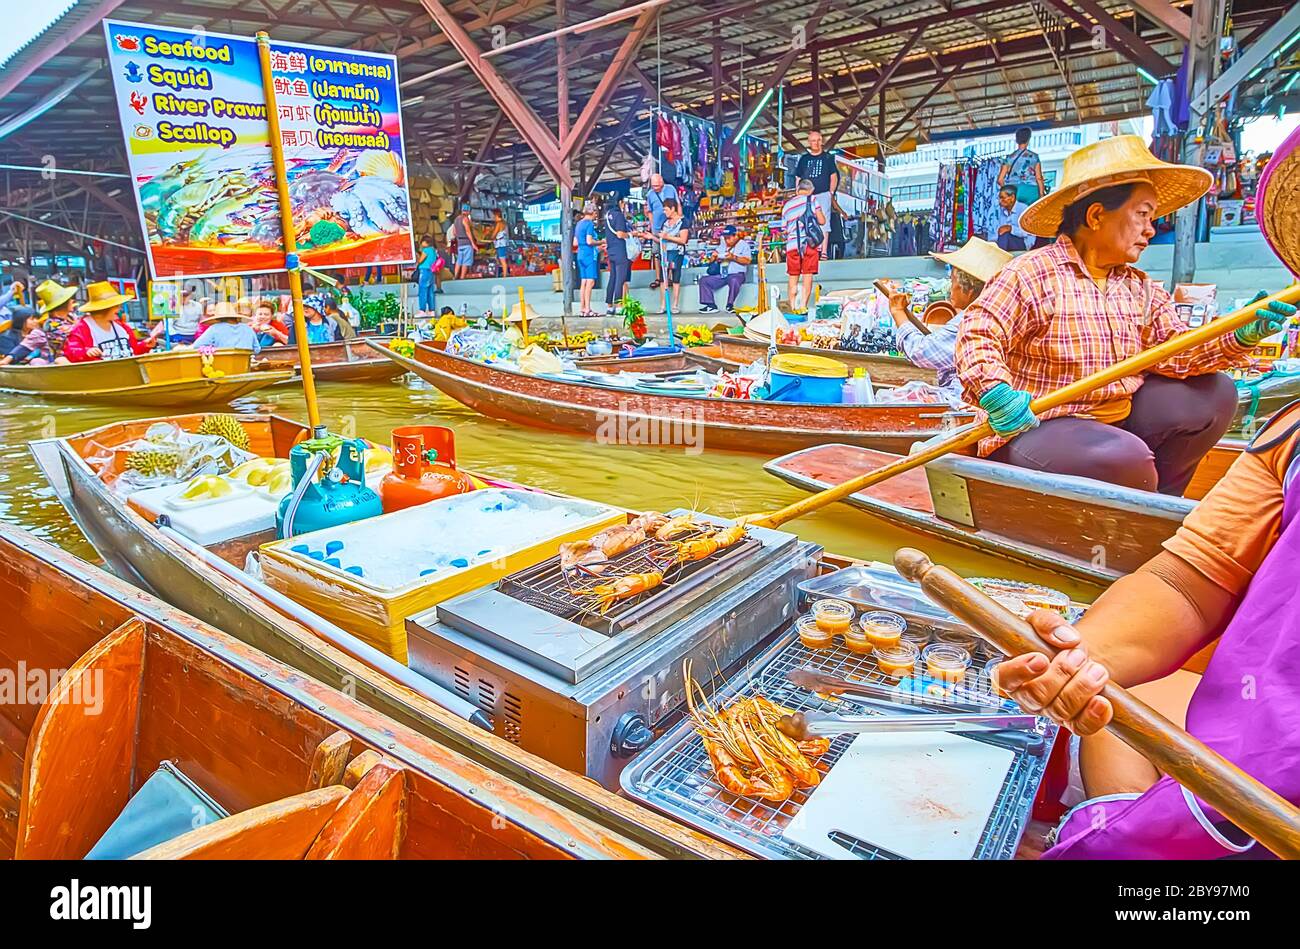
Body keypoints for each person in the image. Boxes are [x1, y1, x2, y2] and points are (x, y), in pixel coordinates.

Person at [992, 400, 1300, 858]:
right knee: (1114, 707)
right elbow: (1188, 582)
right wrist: (1081, 662)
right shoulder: (1291, 431)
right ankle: (1131, 827)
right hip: (1255, 746)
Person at [956, 135, 1296, 496]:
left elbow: (1178, 351)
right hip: (1037, 425)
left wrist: (1240, 333)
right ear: (1096, 215)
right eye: (1143, 215)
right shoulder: (1031, 272)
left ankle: (1156, 503)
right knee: (1126, 460)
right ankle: (1133, 493)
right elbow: (979, 333)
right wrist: (995, 393)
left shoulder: (1139, 286)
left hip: (1116, 419)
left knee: (1216, 395)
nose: (1151, 229)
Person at [887, 237, 1012, 394]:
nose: (949, 288)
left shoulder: (972, 320)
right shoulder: (998, 312)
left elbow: (921, 352)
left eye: (952, 281)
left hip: (970, 403)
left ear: (969, 289)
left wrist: (898, 312)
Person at [63, 281, 153, 362]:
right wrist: (86, 352)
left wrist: (144, 346)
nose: (119, 309)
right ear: (104, 309)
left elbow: (133, 350)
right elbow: (71, 353)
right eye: (116, 306)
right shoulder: (81, 329)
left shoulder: (121, 326)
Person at [781, 178, 827, 314]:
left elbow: (784, 229)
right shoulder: (812, 200)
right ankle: (802, 307)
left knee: (793, 277)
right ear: (811, 190)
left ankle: (792, 306)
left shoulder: (786, 206)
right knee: (807, 275)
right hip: (808, 244)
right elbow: (822, 221)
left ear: (798, 189)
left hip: (792, 246)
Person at [795, 131, 837, 257]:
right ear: (809, 142)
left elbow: (833, 176)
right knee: (805, 220)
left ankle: (823, 251)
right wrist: (797, 192)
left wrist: (831, 192)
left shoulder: (828, 158)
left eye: (818, 140)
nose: (816, 143)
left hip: (823, 194)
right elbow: (798, 177)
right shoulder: (804, 159)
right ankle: (809, 251)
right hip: (805, 195)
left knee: (824, 221)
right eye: (813, 140)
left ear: (821, 141)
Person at [697, 226, 752, 314]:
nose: (727, 241)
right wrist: (714, 257)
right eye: (725, 238)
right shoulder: (722, 245)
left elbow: (748, 261)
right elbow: (711, 261)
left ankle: (730, 305)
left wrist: (733, 257)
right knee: (704, 280)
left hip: (736, 274)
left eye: (729, 238)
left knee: (734, 280)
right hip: (723, 275)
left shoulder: (743, 245)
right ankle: (710, 306)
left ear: (735, 236)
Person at [643, 173, 678, 289]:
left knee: (671, 252)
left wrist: (679, 219)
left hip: (671, 226)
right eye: (653, 186)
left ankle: (670, 277)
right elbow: (649, 211)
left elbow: (678, 205)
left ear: (662, 181)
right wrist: (652, 225)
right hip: (657, 227)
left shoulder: (671, 189)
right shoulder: (650, 194)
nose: (656, 188)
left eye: (657, 185)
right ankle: (659, 278)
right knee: (657, 253)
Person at [997, 126, 1048, 206]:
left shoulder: (1009, 158)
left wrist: (1008, 191)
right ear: (1028, 139)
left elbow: (1000, 180)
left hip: (1014, 191)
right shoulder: (1034, 157)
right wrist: (1041, 195)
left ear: (1017, 140)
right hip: (1031, 191)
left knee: (1016, 215)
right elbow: (1039, 178)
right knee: (1030, 215)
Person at [656, 198, 688, 316]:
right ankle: (663, 304)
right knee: (663, 278)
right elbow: (661, 238)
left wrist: (667, 237)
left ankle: (675, 304)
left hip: (676, 252)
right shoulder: (665, 223)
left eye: (666, 210)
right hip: (665, 252)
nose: (664, 212)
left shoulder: (683, 222)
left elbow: (683, 240)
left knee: (675, 277)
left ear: (673, 209)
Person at [32, 279, 77, 363]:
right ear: (62, 304)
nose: (72, 301)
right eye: (69, 299)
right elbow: (75, 335)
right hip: (65, 363)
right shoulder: (51, 325)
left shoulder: (71, 317)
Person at [603, 194, 633, 314]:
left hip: (611, 251)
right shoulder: (619, 215)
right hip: (620, 250)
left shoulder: (608, 215)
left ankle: (609, 306)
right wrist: (630, 235)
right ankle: (619, 305)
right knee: (620, 278)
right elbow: (620, 234)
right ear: (620, 202)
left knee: (613, 278)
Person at [192, 300, 261, 353]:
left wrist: (211, 349)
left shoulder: (215, 328)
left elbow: (196, 346)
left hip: (221, 365)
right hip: (244, 364)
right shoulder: (248, 329)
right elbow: (257, 349)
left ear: (218, 318)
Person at [574, 204, 602, 317]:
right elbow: (589, 241)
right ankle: (588, 309)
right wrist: (601, 242)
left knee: (584, 282)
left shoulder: (579, 224)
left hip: (580, 253)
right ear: (593, 212)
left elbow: (575, 243)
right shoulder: (589, 224)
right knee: (590, 282)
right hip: (589, 254)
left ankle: (582, 308)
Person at [993, 185, 1031, 252]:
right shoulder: (1001, 210)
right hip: (1006, 242)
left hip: (1024, 243)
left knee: (1005, 234)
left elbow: (1027, 232)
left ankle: (999, 256)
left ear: (1012, 197)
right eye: (999, 198)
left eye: (1002, 198)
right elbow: (999, 231)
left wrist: (1011, 228)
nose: (1000, 201)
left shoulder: (1024, 209)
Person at [415, 236, 439, 315]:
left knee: (422, 291)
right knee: (430, 291)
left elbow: (421, 260)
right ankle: (432, 310)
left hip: (424, 271)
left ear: (426, 242)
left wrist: (417, 259)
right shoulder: (433, 250)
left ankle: (422, 310)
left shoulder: (426, 250)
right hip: (431, 271)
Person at [451, 206, 477, 279]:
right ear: (468, 211)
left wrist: (459, 238)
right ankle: (462, 277)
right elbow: (468, 231)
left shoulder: (456, 219)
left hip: (460, 243)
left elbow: (454, 232)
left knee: (459, 261)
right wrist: (473, 243)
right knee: (466, 261)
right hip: (467, 243)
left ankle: (455, 276)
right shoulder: (465, 219)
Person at [492, 210, 511, 278]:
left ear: (496, 216)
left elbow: (494, 234)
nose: (493, 218)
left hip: (500, 244)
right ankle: (504, 273)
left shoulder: (499, 224)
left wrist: (491, 238)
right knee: (502, 259)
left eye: (494, 216)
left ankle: (505, 275)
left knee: (502, 260)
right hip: (504, 243)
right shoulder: (504, 223)